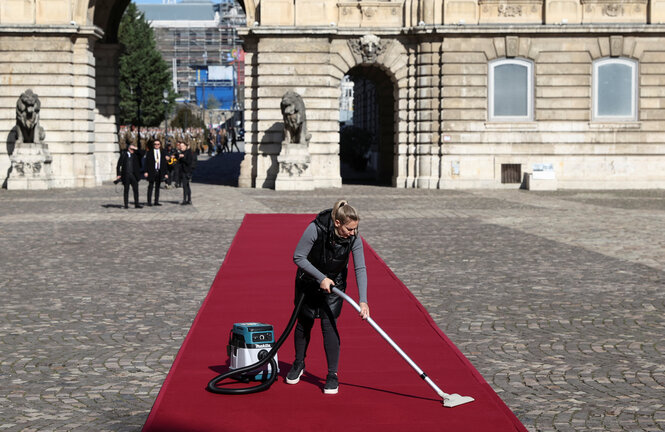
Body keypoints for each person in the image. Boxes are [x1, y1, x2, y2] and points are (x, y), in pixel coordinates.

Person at [287, 200, 369, 395]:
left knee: (329, 325)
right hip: (308, 281)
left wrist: (363, 300)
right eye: (349, 229)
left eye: (355, 229)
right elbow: (298, 257)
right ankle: (299, 363)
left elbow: (360, 268)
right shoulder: (316, 228)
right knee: (304, 323)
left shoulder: (354, 238)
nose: (353, 233)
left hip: (335, 286)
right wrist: (320, 278)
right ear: (338, 223)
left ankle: (332, 374)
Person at [115, 143, 142, 209]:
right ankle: (126, 204)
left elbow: (142, 153)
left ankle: (137, 204)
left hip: (134, 175)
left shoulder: (136, 155)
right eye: (131, 149)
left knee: (136, 190)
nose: (132, 150)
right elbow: (118, 165)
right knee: (126, 190)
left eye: (133, 149)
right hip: (126, 175)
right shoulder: (124, 155)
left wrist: (136, 149)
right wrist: (118, 174)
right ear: (128, 149)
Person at [143, 139, 168, 206]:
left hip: (159, 171)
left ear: (160, 145)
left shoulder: (163, 152)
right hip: (152, 171)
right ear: (153, 145)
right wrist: (145, 171)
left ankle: (156, 201)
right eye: (155, 144)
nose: (156, 145)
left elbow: (164, 163)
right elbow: (146, 162)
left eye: (158, 144)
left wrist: (165, 173)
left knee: (157, 187)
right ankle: (149, 201)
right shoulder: (149, 152)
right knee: (150, 186)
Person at [177, 141, 193, 205]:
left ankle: (185, 200)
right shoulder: (181, 152)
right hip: (182, 171)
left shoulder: (188, 153)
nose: (181, 147)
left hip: (186, 171)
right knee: (186, 185)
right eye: (180, 146)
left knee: (185, 185)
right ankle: (189, 199)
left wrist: (183, 157)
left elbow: (188, 162)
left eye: (183, 146)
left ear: (186, 146)